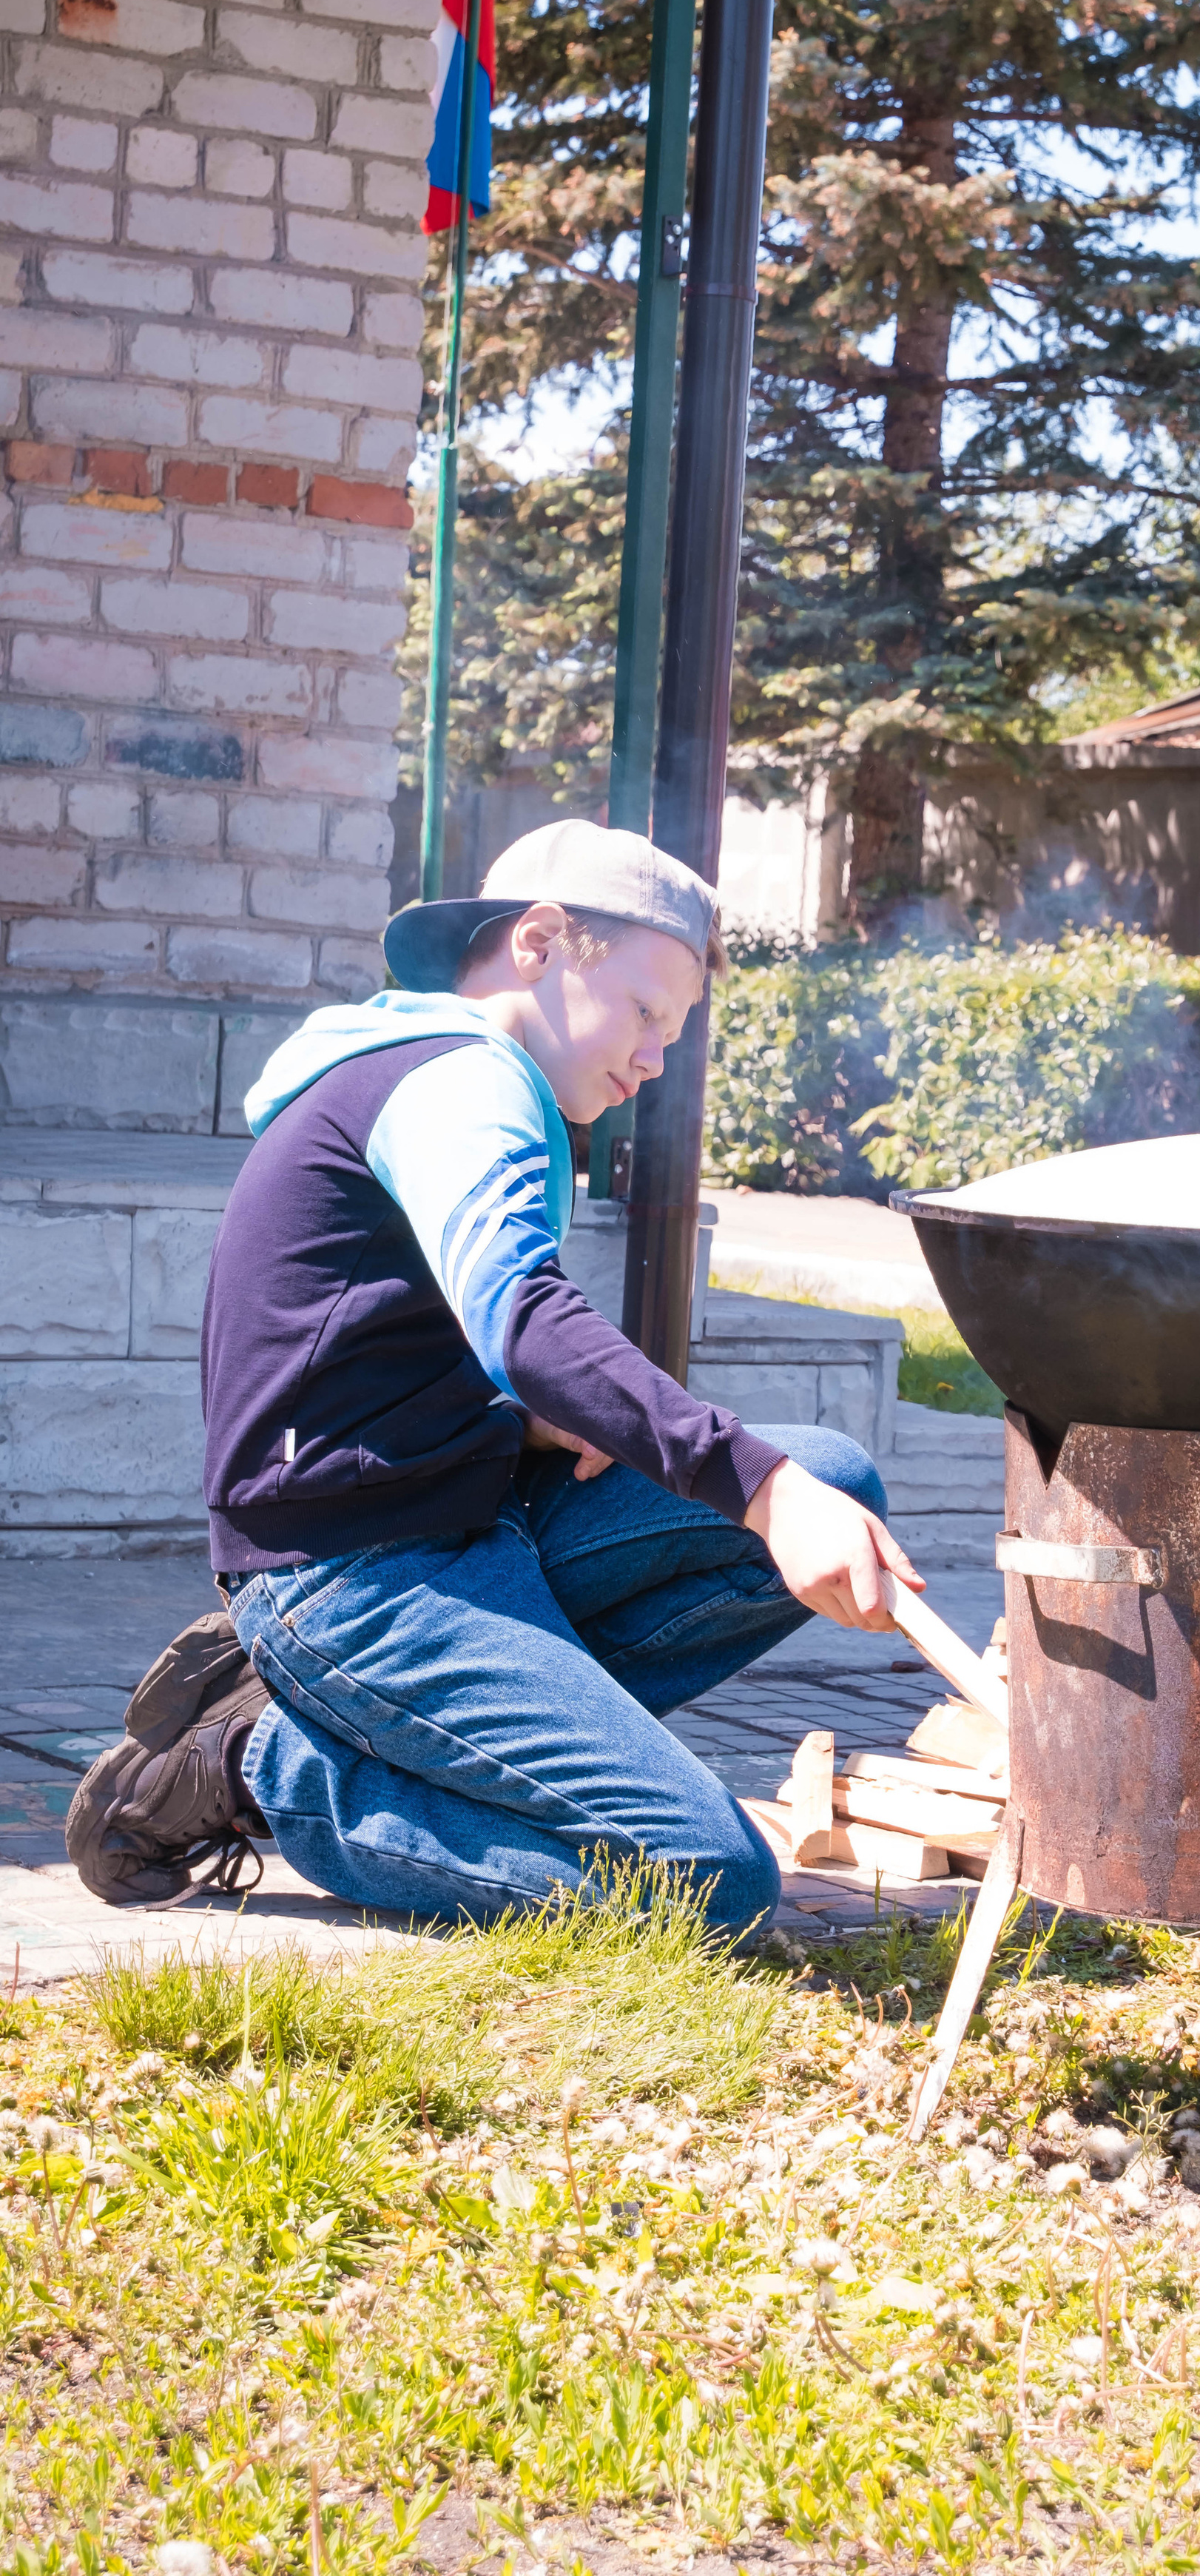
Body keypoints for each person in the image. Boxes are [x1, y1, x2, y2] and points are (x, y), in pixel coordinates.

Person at [66, 821, 922, 1934]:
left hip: (471, 1517)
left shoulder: (437, 1073)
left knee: (834, 1479)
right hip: (352, 1575)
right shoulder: (462, 1079)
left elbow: (383, 1336)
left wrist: (523, 1424)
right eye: (645, 1012)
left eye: (673, 1032)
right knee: (710, 1884)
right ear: (540, 943)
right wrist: (757, 1485)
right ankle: (263, 1764)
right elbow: (520, 1313)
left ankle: (416, 1736)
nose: (657, 1060)